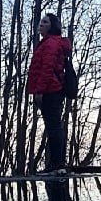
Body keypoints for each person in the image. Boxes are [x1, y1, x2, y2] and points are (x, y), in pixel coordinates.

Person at [26, 11, 72, 173]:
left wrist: (39, 91)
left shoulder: (51, 44)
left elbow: (47, 68)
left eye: (45, 22)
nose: (41, 24)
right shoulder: (47, 43)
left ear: (52, 26)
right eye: (41, 22)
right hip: (52, 90)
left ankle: (58, 165)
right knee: (52, 126)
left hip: (51, 90)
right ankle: (55, 164)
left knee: (53, 127)